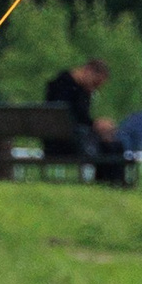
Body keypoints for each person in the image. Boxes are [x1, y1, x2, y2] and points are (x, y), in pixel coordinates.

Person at [43, 58, 129, 187]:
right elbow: (71, 118)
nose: (94, 89)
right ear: (88, 71)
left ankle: (111, 183)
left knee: (114, 145)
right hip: (63, 142)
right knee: (109, 147)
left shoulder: (79, 90)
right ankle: (111, 184)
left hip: (71, 138)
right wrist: (96, 125)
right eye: (95, 83)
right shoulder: (63, 87)